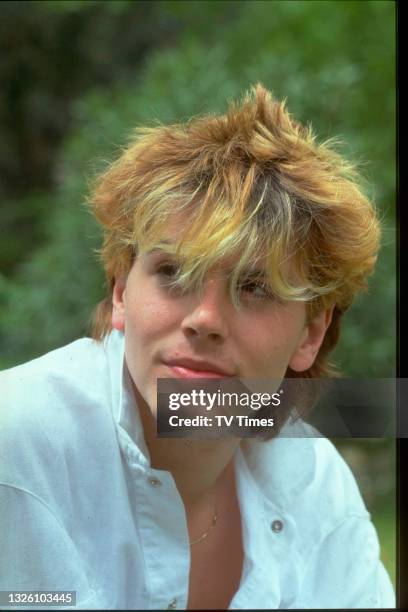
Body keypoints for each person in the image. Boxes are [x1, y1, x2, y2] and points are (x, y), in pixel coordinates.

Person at [0, 84, 395, 609]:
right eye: (173, 273)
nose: (205, 319)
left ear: (311, 333)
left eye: (254, 288)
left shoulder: (315, 485)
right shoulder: (17, 449)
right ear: (121, 292)